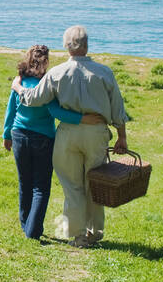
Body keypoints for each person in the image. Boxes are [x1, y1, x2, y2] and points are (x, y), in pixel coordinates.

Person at [11, 26, 129, 248]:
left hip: (67, 133)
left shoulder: (56, 73)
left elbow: (34, 99)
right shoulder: (105, 72)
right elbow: (117, 109)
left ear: (66, 46)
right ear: (87, 45)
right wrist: (121, 137)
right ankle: (94, 232)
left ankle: (78, 235)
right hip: (96, 133)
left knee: (72, 185)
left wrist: (17, 88)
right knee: (94, 182)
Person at [3, 45, 107, 239]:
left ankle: (27, 226)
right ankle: (33, 231)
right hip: (43, 138)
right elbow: (57, 112)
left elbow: (11, 111)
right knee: (40, 187)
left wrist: (6, 135)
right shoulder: (47, 85)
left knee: (24, 183)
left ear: (28, 60)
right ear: (46, 62)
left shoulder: (20, 82)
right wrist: (83, 119)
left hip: (19, 135)